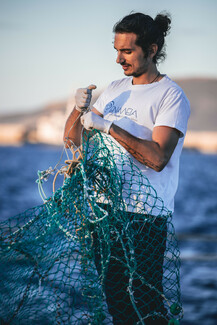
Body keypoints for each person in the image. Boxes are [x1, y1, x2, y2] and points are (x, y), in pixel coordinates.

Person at [64, 12, 190, 324]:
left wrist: (108, 127)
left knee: (146, 299)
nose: (119, 59)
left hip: (144, 216)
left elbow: (157, 158)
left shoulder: (171, 95)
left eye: (128, 51)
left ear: (152, 48)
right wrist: (78, 110)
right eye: (117, 50)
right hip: (106, 210)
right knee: (116, 298)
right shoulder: (115, 88)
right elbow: (71, 139)